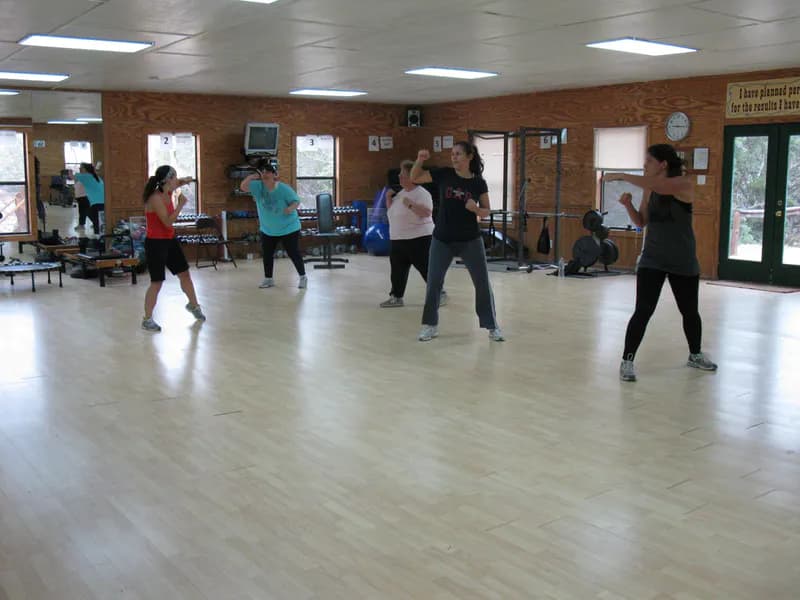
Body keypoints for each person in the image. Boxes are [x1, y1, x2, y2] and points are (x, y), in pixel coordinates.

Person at [604, 143, 717, 382]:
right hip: (652, 258)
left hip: (682, 259)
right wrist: (628, 205)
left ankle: (695, 355)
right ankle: (627, 361)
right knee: (643, 310)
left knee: (689, 311)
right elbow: (641, 222)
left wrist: (622, 175)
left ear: (663, 164)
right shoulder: (650, 189)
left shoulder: (683, 184)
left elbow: (660, 186)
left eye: (649, 161)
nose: (645, 165)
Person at [410, 142, 504, 342]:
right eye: (452, 154)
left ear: (469, 156)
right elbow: (415, 178)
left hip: (470, 240)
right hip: (442, 239)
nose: (454, 157)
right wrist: (420, 160)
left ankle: (492, 326)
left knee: (482, 283)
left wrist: (476, 210)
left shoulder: (478, 183)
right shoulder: (444, 174)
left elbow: (486, 211)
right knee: (434, 282)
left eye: (458, 154)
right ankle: (430, 325)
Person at [142, 165, 206, 332]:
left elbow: (180, 182)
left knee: (185, 274)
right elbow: (167, 222)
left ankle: (193, 305)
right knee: (156, 282)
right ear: (167, 180)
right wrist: (180, 205)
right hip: (155, 243)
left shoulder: (168, 190)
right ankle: (147, 319)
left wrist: (187, 179)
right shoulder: (155, 198)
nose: (176, 180)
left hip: (169, 240)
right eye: (174, 177)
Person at [380, 160, 447, 307]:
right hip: (398, 239)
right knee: (397, 271)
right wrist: (388, 198)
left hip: (419, 239)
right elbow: (392, 212)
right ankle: (396, 297)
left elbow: (426, 213)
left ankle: (440, 293)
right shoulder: (401, 194)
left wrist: (410, 204)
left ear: (412, 177)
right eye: (399, 174)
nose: (399, 177)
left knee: (427, 269)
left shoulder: (422, 194)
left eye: (402, 175)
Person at [239, 161, 307, 289]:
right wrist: (252, 177)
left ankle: (303, 277)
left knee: (293, 253)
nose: (265, 174)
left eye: (268, 172)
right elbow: (243, 187)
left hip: (289, 227)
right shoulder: (258, 186)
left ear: (274, 175)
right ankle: (268, 279)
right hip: (268, 229)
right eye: (263, 172)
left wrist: (290, 209)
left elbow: (296, 201)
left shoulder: (283, 189)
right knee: (267, 254)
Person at [72, 163, 105, 235]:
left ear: (86, 169)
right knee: (96, 219)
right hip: (98, 201)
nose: (80, 169)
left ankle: (98, 236)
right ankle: (99, 235)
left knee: (94, 218)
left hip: (93, 201)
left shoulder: (86, 176)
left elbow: (70, 176)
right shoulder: (94, 177)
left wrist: (68, 173)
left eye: (81, 168)